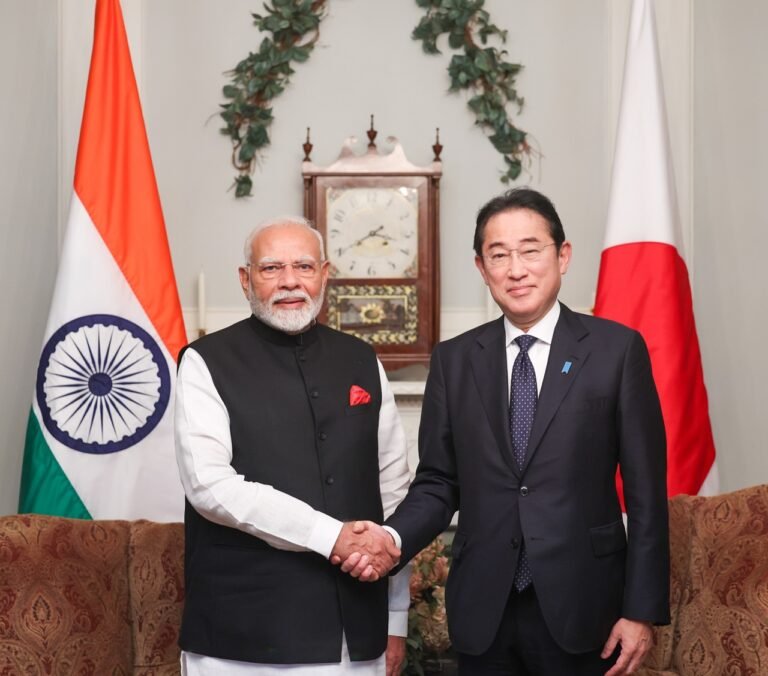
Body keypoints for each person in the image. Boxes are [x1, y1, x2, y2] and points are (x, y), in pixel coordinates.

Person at [339, 188, 670, 676]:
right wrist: (391, 538)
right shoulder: (454, 360)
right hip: (484, 608)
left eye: (531, 250)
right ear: (481, 268)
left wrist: (641, 610)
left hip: (585, 604)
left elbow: (646, 495)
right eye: (499, 255)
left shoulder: (616, 352)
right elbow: (438, 482)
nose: (516, 269)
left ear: (562, 256)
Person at [174, 216, 411, 675]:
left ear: (325, 273)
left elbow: (394, 491)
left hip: (356, 635)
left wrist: (396, 618)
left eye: (303, 266)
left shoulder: (362, 360)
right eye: (271, 269)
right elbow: (209, 487)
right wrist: (331, 536)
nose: (289, 282)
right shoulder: (205, 362)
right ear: (246, 279)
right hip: (239, 640)